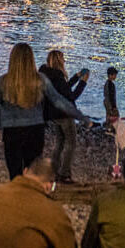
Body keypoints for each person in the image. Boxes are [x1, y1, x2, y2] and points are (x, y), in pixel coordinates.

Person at [0, 43, 91, 180]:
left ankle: (16, 198)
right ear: (31, 59)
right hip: (35, 130)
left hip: (12, 131)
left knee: (15, 174)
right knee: (32, 173)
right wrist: (81, 117)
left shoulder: (3, 81)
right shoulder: (40, 80)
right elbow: (59, 101)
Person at [39, 49, 89, 183]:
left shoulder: (47, 75)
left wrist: (76, 77)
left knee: (60, 142)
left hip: (53, 114)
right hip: (65, 114)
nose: (65, 61)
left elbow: (63, 89)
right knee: (71, 143)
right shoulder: (58, 76)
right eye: (63, 59)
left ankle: (54, 170)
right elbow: (71, 96)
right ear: (59, 61)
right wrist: (83, 82)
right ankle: (64, 173)